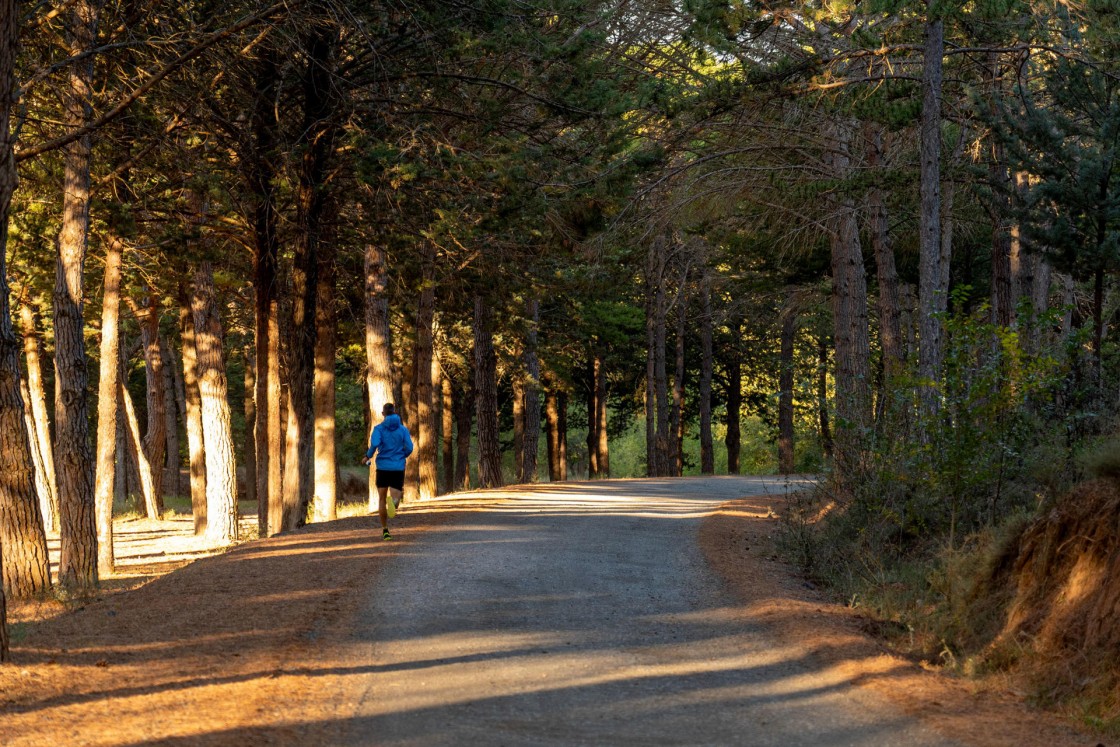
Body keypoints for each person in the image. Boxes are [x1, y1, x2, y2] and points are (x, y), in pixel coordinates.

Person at [361, 403, 414, 540]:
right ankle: (394, 502)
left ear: (383, 413)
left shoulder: (378, 429)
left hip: (383, 467)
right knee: (396, 498)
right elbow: (409, 447)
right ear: (395, 412)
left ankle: (385, 530)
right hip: (398, 467)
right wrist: (402, 456)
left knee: (381, 498)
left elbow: (375, 444)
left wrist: (368, 456)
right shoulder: (402, 429)